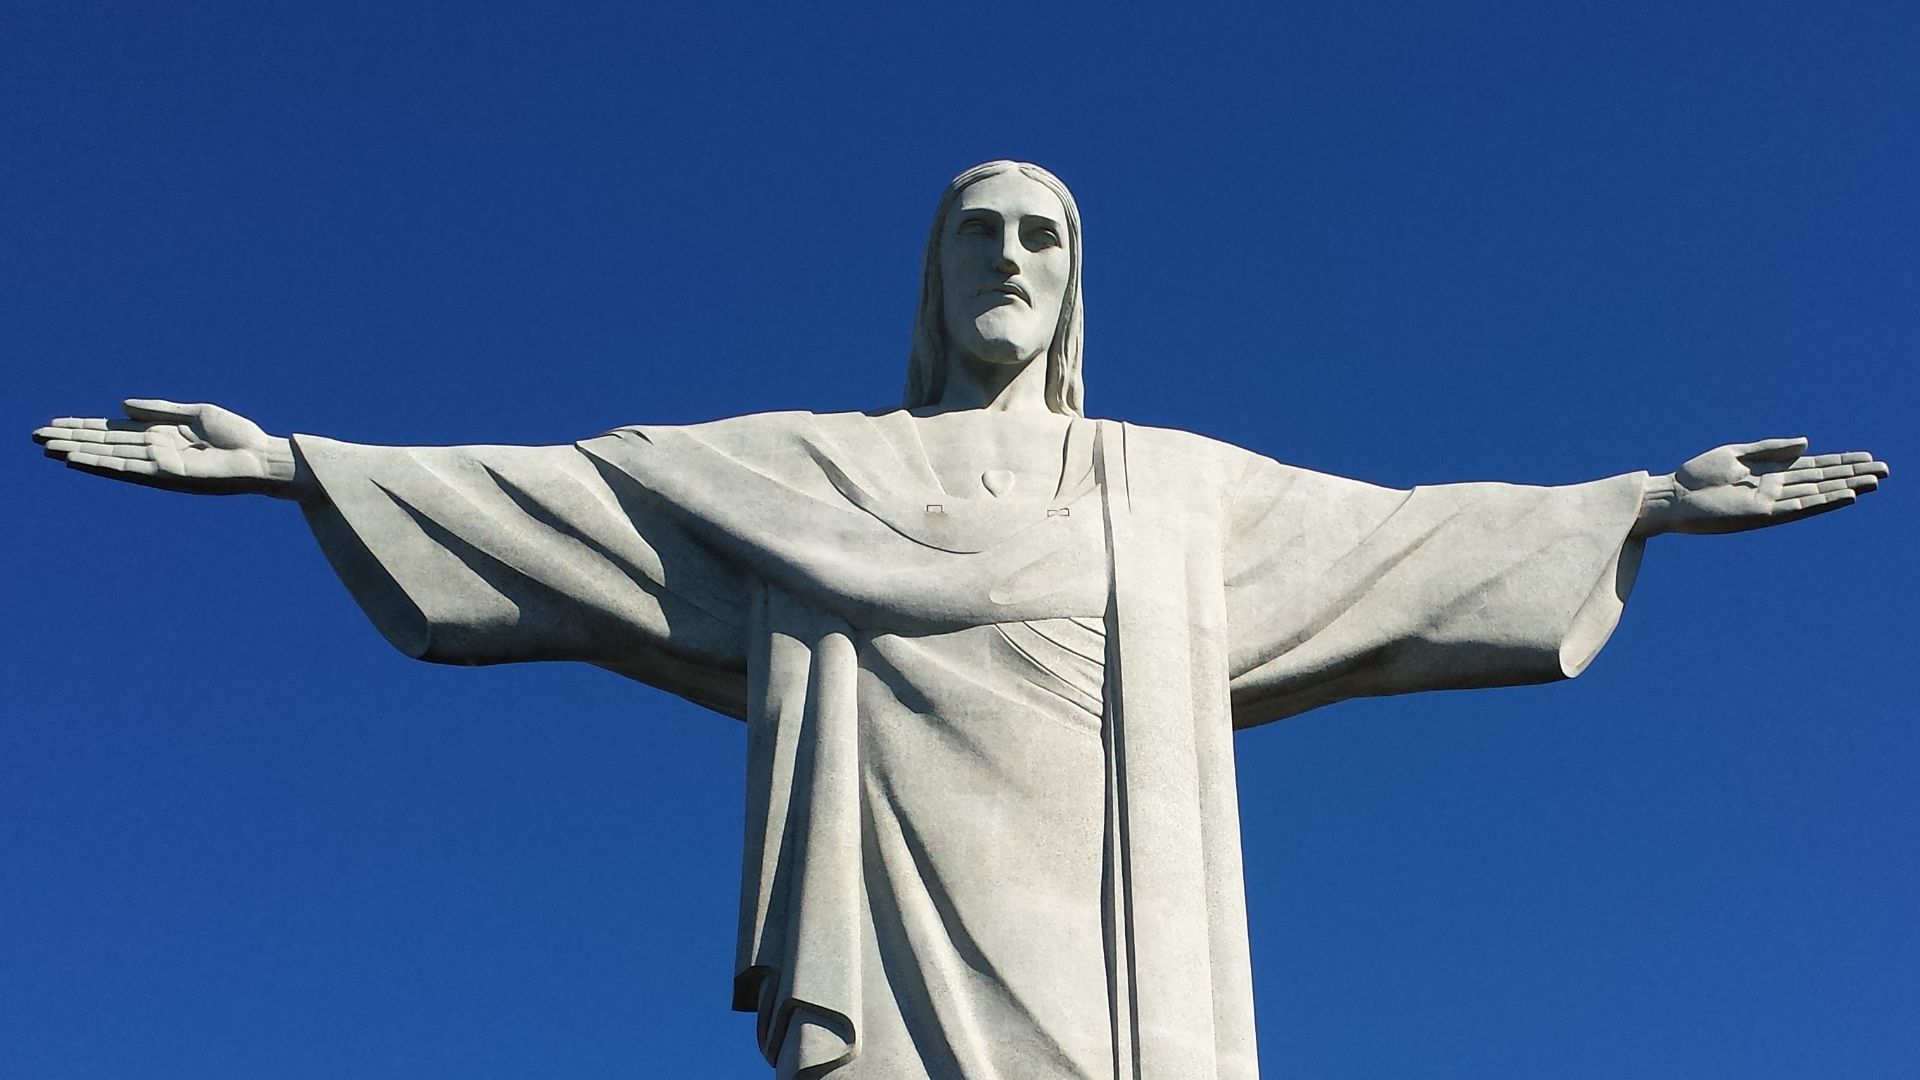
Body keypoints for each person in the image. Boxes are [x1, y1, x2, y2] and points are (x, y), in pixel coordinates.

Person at [34, 161, 1887, 1080]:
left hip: (1115, 956)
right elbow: (570, 500)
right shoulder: (805, 473)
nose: (1007, 260)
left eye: (1041, 239)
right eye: (974, 236)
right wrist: (295, 463)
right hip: (894, 945)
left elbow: (1403, 545)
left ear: (1077, 284)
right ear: (930, 277)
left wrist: (1637, 496)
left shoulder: (1169, 487)